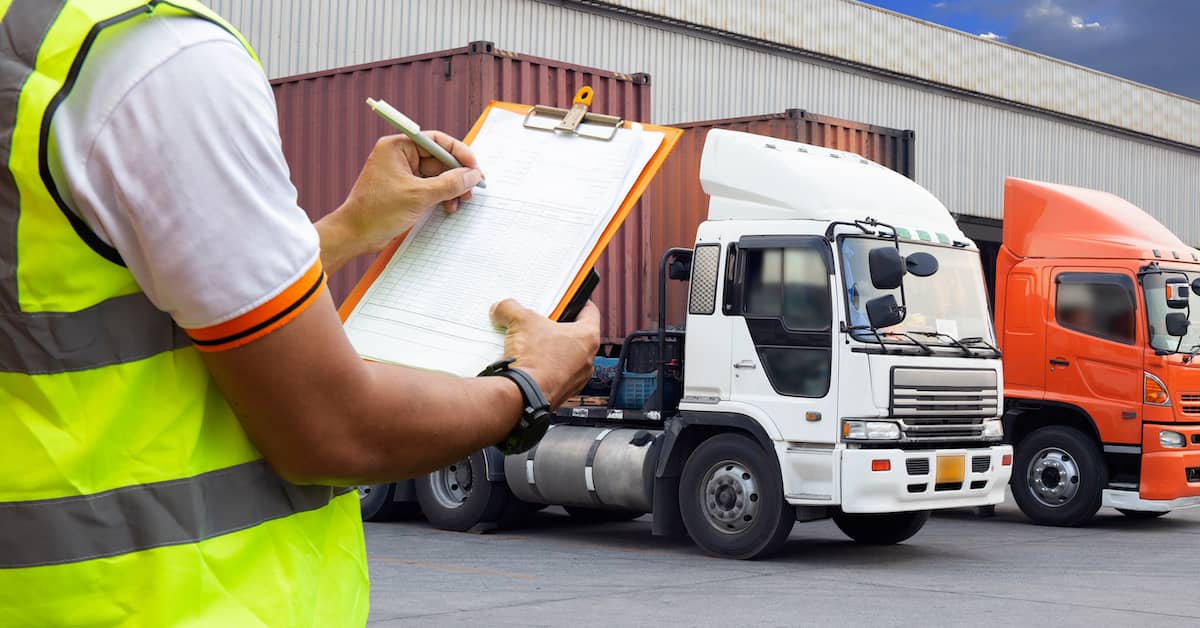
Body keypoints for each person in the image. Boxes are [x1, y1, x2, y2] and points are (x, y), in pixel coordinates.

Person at [0, 1, 598, 625]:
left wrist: (348, 228)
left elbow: (120, 309)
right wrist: (532, 384)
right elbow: (334, 428)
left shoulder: (32, 45)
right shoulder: (149, 56)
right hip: (172, 602)